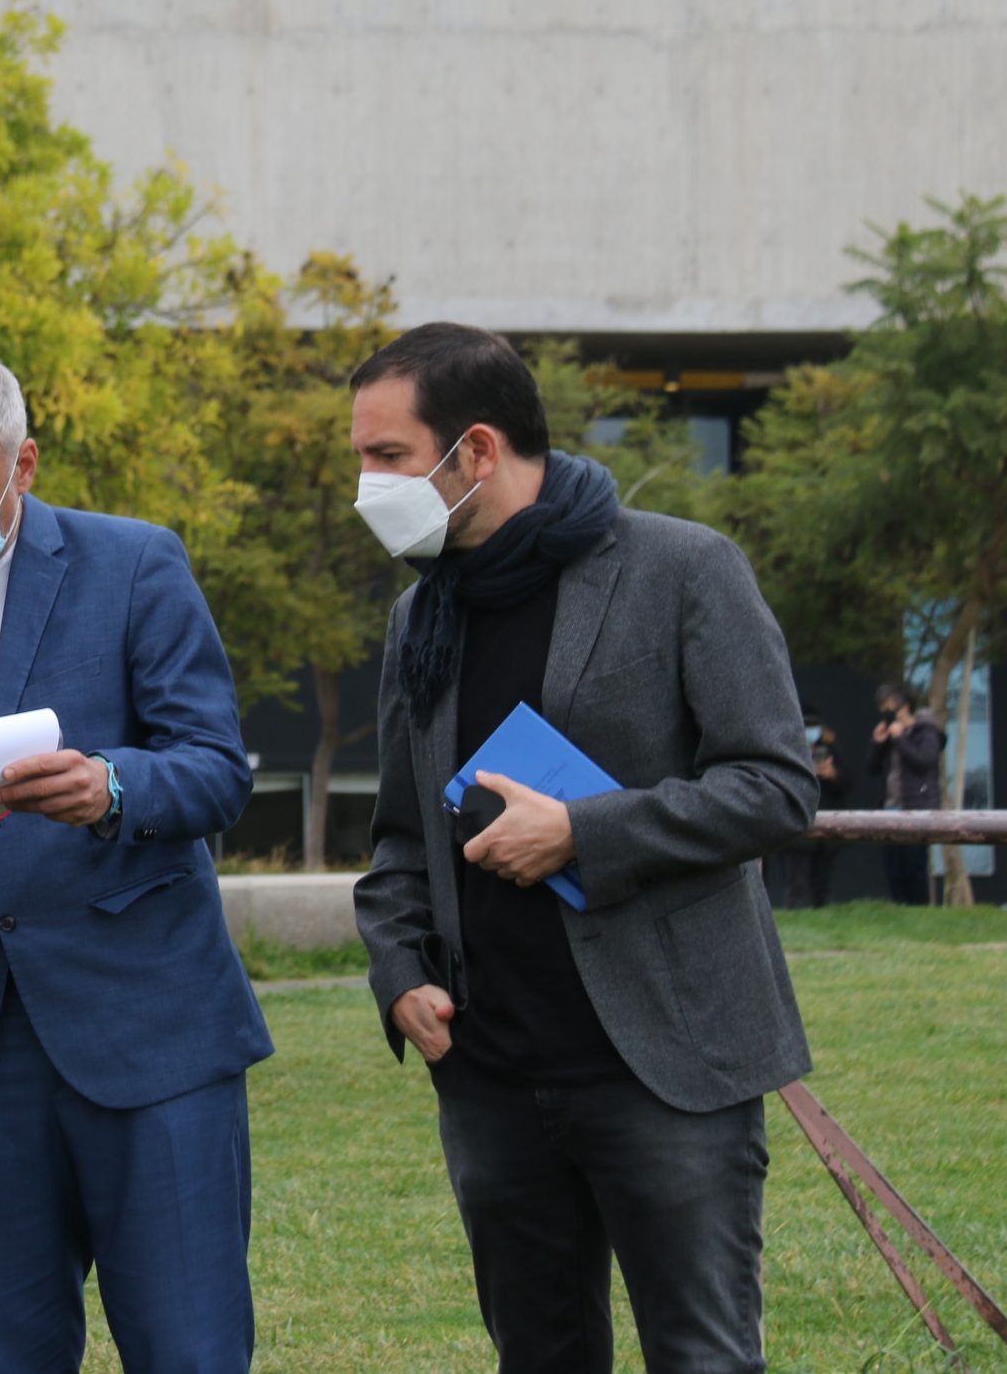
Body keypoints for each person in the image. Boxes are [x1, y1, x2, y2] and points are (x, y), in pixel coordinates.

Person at [348, 323, 816, 1374]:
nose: (365, 485)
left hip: (665, 1067)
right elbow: (396, 841)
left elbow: (776, 786)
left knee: (701, 1357)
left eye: (385, 457)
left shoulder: (684, 569)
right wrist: (399, 973)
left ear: (474, 451)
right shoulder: (420, 616)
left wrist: (582, 832)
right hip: (492, 1078)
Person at [0, 349, 271, 1374]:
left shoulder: (135, 564)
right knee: (5, 1356)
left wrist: (112, 789)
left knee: (190, 1351)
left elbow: (216, 768)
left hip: (148, 1027)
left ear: (24, 465)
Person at [868, 682, 946, 905]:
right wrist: (878, 742)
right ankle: (899, 908)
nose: (889, 712)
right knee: (894, 866)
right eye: (884, 707)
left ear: (906, 706)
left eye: (893, 706)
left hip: (917, 807)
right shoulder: (891, 732)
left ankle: (918, 908)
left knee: (914, 864)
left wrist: (901, 738)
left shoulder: (926, 730)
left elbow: (924, 761)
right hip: (891, 806)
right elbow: (872, 768)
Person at [780, 704, 853, 907]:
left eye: (814, 727)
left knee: (822, 883)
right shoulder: (787, 749)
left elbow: (847, 783)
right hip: (796, 828)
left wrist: (832, 775)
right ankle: (798, 912)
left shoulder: (830, 750)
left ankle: (822, 911)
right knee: (797, 882)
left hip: (827, 828)